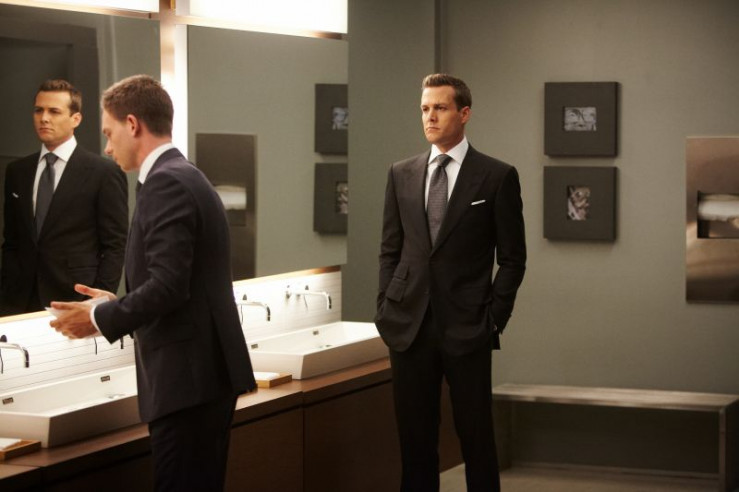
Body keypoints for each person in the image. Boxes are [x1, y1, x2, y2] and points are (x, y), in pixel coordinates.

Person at [49, 74, 256, 491]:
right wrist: (112, 302)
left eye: (108, 134)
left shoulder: (165, 182)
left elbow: (168, 286)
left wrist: (100, 318)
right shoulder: (187, 175)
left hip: (186, 382)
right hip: (201, 379)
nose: (107, 148)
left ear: (132, 124)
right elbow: (180, 280)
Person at [375, 73, 527, 492]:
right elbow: (390, 249)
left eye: (440, 108)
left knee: (477, 441)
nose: (430, 117)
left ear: (464, 113)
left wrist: (493, 319)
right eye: (425, 109)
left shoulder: (496, 176)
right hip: (408, 326)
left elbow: (513, 259)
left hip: (468, 326)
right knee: (415, 445)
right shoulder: (401, 173)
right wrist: (385, 307)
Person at [0, 79, 128, 315]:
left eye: (54, 111)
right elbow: (12, 241)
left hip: (75, 299)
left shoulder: (103, 173)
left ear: (75, 119)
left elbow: (115, 245)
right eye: (38, 110)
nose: (44, 118)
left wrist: (97, 301)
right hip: (18, 301)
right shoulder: (17, 171)